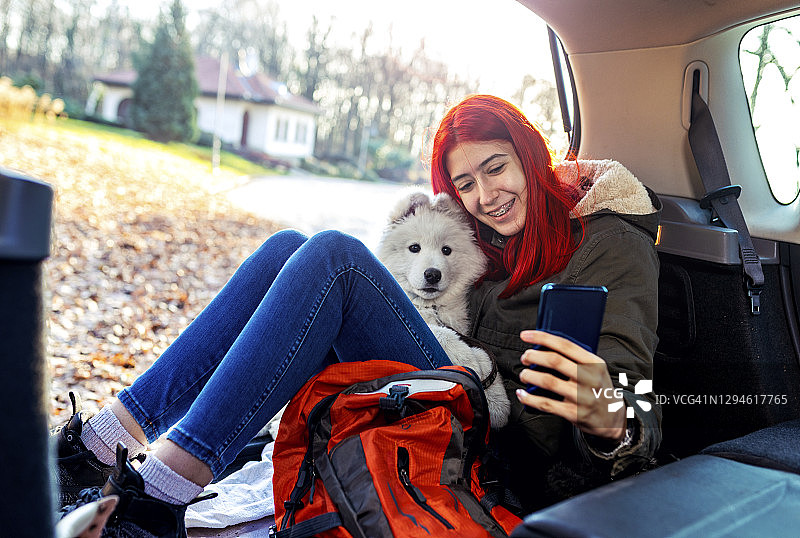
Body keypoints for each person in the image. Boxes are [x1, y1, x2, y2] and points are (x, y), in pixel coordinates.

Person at [55, 94, 661, 535]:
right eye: (465, 183)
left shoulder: (611, 244)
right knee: (286, 248)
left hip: (506, 449)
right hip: (448, 380)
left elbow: (636, 406)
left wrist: (609, 415)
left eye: (497, 168)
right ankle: (107, 439)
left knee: (337, 259)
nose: (485, 196)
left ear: (530, 156)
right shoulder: (480, 236)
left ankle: (162, 492)